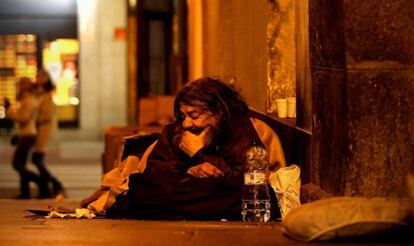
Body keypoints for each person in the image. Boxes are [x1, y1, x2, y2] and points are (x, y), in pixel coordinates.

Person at [82, 77, 286, 219]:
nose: (187, 124)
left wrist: (199, 153)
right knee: (141, 187)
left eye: (194, 116)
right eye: (184, 116)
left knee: (236, 196)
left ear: (219, 113)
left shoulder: (244, 131)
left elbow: (246, 180)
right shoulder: (177, 131)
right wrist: (188, 170)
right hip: (184, 191)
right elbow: (155, 170)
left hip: (221, 196)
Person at [5, 77, 50, 199]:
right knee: (21, 164)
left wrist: (8, 111)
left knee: (17, 164)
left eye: (20, 85)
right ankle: (25, 192)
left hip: (28, 135)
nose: (18, 87)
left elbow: (23, 119)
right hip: (26, 135)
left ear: (25, 87)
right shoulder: (27, 99)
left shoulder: (29, 100)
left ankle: (41, 183)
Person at [31, 69, 65, 198]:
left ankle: (54, 183)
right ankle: (45, 188)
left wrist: (34, 118)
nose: (38, 79)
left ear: (46, 78)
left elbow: (48, 114)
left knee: (37, 158)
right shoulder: (40, 93)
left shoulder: (48, 94)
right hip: (40, 128)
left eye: (41, 77)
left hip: (45, 129)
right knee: (37, 159)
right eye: (37, 76)